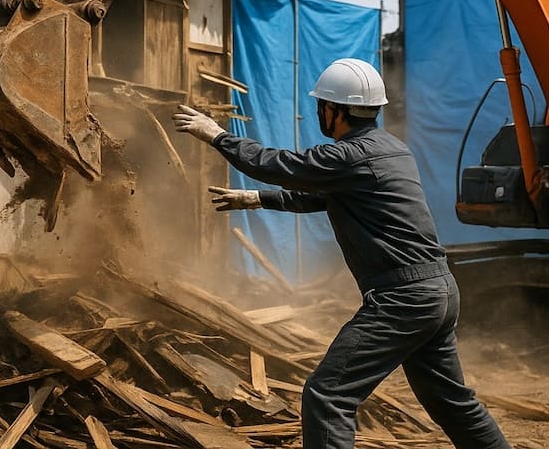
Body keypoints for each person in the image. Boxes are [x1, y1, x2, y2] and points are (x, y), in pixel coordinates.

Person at [173, 58, 510, 449]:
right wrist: (257, 198)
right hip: (440, 291)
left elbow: (280, 165)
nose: (320, 112)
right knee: (451, 402)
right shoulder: (390, 149)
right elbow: (324, 195)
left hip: (403, 299)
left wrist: (217, 135)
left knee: (328, 395)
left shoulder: (349, 155)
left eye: (321, 106)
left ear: (333, 110)